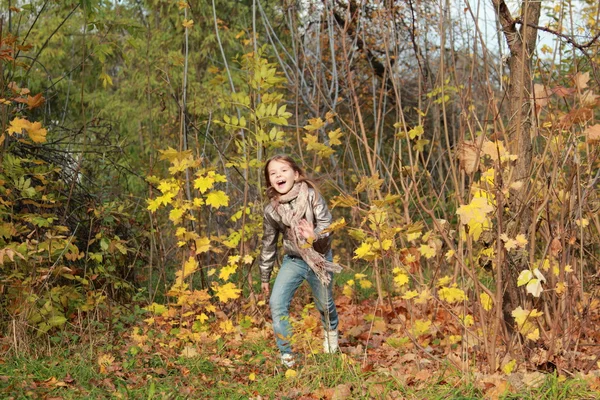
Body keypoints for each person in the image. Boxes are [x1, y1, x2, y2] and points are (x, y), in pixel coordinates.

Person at [259, 154, 342, 368]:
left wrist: (314, 236)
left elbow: (327, 226)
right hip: (294, 260)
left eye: (283, 170)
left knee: (324, 304)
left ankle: (331, 336)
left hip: (319, 258)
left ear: (296, 175)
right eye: (273, 173)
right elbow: (268, 244)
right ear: (270, 181)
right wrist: (265, 276)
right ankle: (287, 356)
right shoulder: (271, 211)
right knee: (277, 303)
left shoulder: (312, 196)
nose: (278, 175)